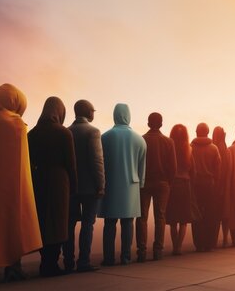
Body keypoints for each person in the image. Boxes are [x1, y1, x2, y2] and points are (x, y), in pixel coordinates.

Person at [28, 97, 77, 277]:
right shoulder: (63, 133)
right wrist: (74, 187)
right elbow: (71, 164)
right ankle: (52, 264)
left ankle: (44, 262)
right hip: (59, 181)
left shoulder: (32, 134)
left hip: (38, 179)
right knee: (58, 222)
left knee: (42, 221)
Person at [0, 84, 42, 281]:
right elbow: (20, 164)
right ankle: (13, 268)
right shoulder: (16, 125)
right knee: (12, 223)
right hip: (10, 187)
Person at [99, 103, 146, 266]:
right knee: (128, 223)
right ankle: (126, 257)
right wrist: (141, 184)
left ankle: (108, 258)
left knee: (109, 223)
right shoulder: (140, 140)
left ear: (115, 115)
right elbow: (142, 167)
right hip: (130, 187)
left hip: (110, 185)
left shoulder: (104, 137)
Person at [63, 100, 105, 273]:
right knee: (88, 224)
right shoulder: (93, 132)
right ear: (88, 112)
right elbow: (97, 161)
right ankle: (84, 261)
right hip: (90, 187)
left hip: (71, 187)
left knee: (69, 224)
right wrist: (101, 184)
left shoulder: (66, 131)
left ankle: (68, 262)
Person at [136, 113, 177, 262]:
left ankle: (141, 251)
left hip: (144, 183)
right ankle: (158, 251)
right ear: (161, 124)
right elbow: (173, 167)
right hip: (162, 183)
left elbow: (137, 163)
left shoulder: (141, 140)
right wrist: (169, 183)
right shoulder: (168, 142)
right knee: (160, 216)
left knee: (142, 217)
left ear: (148, 123)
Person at [167, 124, 197, 255]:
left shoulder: (169, 148)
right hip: (185, 185)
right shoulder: (189, 149)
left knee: (173, 219)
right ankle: (179, 247)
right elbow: (193, 170)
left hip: (173, 185)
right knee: (184, 219)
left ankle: (174, 246)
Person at [190, 123, 221, 252]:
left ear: (196, 132)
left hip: (195, 185)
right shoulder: (214, 148)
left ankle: (198, 243)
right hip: (209, 184)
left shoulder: (190, 147)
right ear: (208, 132)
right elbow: (218, 169)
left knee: (196, 214)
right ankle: (209, 243)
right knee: (210, 214)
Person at [212, 126, 230, 247]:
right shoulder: (226, 149)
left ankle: (213, 239)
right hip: (225, 186)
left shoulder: (213, 148)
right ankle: (225, 238)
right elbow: (229, 169)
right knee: (225, 214)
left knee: (214, 215)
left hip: (213, 186)